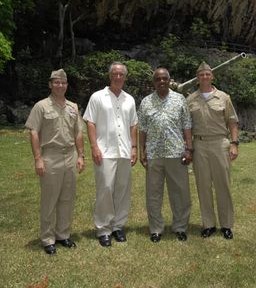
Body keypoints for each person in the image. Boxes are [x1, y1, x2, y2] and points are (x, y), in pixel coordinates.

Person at [25, 69, 85, 255]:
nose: (60, 85)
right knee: (50, 199)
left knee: (67, 198)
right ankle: (48, 238)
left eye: (63, 83)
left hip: (70, 155)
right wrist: (38, 159)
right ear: (50, 84)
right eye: (56, 82)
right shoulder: (41, 106)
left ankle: (63, 234)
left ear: (67, 85)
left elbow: (78, 132)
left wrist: (81, 155)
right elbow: (34, 132)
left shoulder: (73, 107)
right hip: (50, 156)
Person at [83, 62, 138, 247]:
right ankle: (104, 229)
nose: (118, 77)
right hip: (104, 151)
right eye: (115, 73)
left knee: (122, 190)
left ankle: (118, 226)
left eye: (121, 74)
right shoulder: (97, 97)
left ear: (125, 77)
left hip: (124, 150)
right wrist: (94, 147)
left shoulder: (129, 99)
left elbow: (133, 125)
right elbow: (90, 122)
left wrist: (134, 147)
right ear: (109, 76)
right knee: (105, 189)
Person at [138, 67, 193, 242]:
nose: (161, 81)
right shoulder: (146, 102)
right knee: (154, 193)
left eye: (164, 78)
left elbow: (186, 125)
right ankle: (155, 228)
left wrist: (189, 149)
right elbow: (142, 129)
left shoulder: (180, 100)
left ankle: (180, 227)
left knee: (180, 192)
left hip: (176, 153)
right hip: (154, 154)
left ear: (169, 80)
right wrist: (142, 151)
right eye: (158, 79)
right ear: (153, 82)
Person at [187, 62, 239, 240]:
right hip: (199, 144)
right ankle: (208, 224)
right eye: (201, 74)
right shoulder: (191, 99)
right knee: (203, 186)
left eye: (207, 74)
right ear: (197, 78)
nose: (205, 77)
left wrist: (234, 143)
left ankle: (226, 225)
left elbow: (232, 121)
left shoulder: (223, 97)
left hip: (219, 143)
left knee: (222, 185)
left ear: (212, 76)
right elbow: (186, 126)